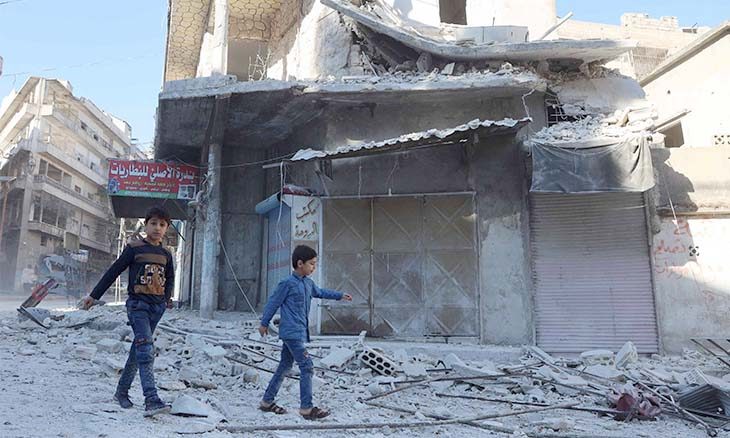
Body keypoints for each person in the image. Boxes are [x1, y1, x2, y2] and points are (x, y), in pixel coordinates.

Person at [79, 206, 175, 417]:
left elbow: (170, 278)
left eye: (162, 224)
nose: (157, 228)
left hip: (156, 308)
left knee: (138, 349)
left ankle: (121, 392)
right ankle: (151, 399)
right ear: (146, 225)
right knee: (146, 349)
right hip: (137, 306)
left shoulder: (166, 253)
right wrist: (94, 296)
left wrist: (166, 299)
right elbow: (113, 272)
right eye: (153, 223)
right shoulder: (134, 248)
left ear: (166, 228)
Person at [258, 245, 352, 420]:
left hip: (299, 332)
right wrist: (264, 323)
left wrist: (339, 295)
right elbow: (273, 302)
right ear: (300, 263)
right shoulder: (287, 283)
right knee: (307, 366)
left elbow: (320, 292)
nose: (314, 267)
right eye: (311, 264)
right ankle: (306, 408)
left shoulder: (308, 283)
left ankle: (266, 401)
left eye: (315, 264)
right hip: (291, 333)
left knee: (285, 365)